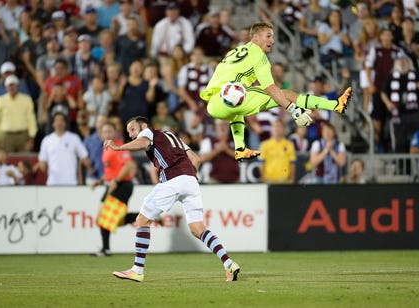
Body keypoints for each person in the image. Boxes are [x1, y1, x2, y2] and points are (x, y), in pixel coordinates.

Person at [105, 116, 240, 282]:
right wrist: (188, 178)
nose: (132, 135)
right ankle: (229, 264)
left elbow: (144, 143)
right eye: (129, 132)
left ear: (144, 126)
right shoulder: (172, 136)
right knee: (198, 228)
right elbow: (196, 160)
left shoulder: (148, 133)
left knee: (142, 220)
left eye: (133, 129)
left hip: (173, 179)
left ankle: (137, 270)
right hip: (191, 181)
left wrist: (118, 148)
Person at [200, 21, 352, 162]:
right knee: (285, 94)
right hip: (231, 94)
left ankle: (240, 148)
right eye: (268, 36)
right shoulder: (259, 57)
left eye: (272, 37)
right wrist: (293, 110)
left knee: (238, 105)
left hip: (213, 103)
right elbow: (271, 88)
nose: (272, 41)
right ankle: (335, 105)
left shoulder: (236, 50)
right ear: (255, 38)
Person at [91, 121, 138, 257]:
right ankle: (106, 249)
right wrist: (100, 181)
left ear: (115, 133)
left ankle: (106, 249)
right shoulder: (106, 149)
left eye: (109, 131)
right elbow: (112, 170)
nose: (107, 134)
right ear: (100, 134)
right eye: (104, 132)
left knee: (108, 218)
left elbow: (128, 165)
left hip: (122, 185)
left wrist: (116, 180)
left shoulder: (119, 146)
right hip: (113, 184)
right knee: (106, 218)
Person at [34, 112, 92, 185]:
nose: (59, 123)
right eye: (56, 120)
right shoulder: (46, 140)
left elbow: (84, 157)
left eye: (61, 120)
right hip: (53, 182)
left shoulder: (74, 138)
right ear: (53, 124)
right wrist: (42, 165)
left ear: (65, 123)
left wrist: (90, 169)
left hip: (71, 182)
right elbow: (42, 162)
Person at [0, 75, 37, 153]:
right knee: (7, 162)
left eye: (13, 85)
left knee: (24, 161)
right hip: (7, 137)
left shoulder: (27, 99)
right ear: (6, 87)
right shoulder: (0, 100)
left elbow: (31, 119)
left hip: (23, 136)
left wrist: (32, 138)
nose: (11, 87)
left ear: (18, 86)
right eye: (9, 85)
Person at [259, 119, 296, 184]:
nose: (276, 128)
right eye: (274, 126)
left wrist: (292, 179)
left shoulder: (289, 145)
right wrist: (263, 179)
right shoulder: (264, 145)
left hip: (285, 180)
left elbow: (292, 163)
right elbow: (262, 163)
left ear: (284, 129)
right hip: (269, 180)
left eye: (279, 126)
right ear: (271, 129)